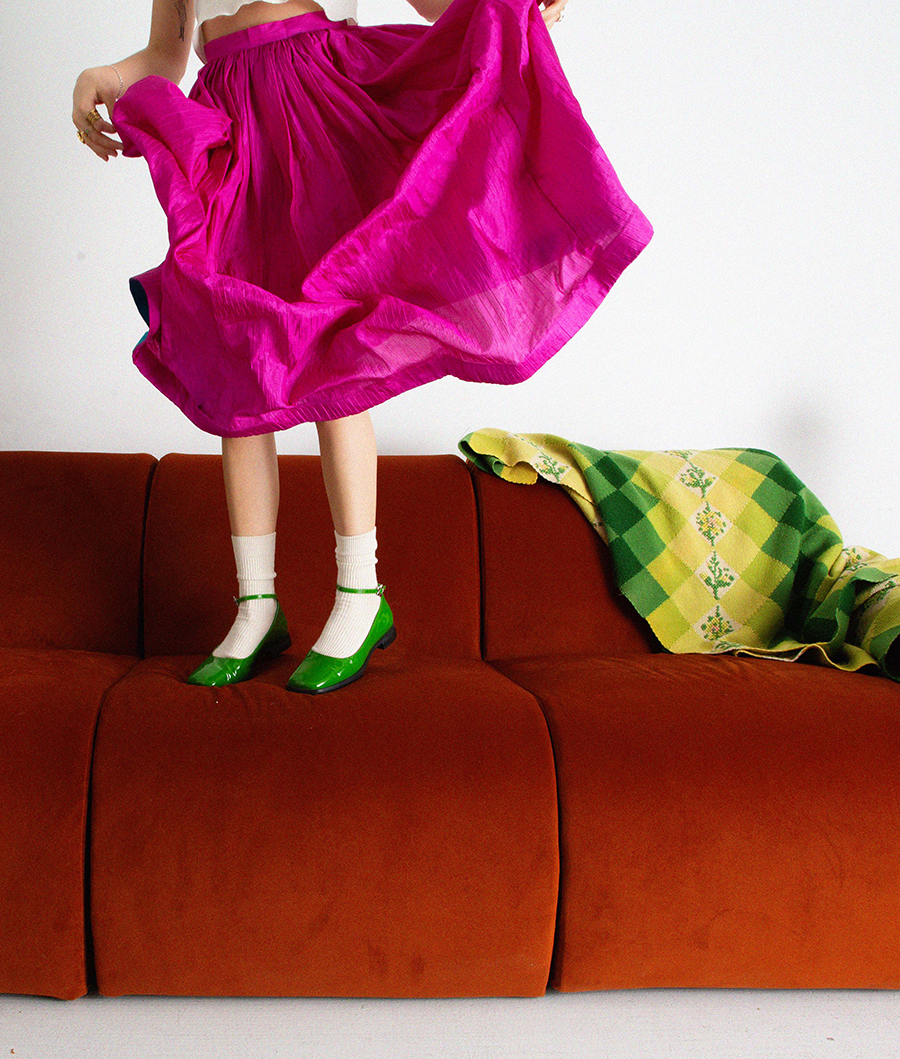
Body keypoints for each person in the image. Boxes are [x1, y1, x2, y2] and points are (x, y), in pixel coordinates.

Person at [70, 0, 650, 694]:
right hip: (233, 133)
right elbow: (166, 52)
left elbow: (436, 3)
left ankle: (359, 592)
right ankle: (256, 606)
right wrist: (101, 74)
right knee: (239, 360)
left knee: (331, 350)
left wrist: (503, 7)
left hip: (316, 109)